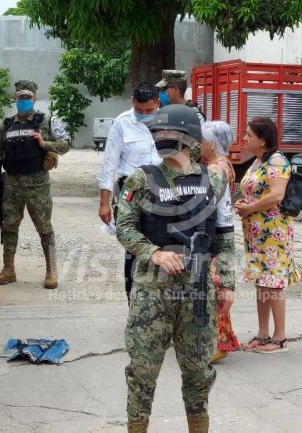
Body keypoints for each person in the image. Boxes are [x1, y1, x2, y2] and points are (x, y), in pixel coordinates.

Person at [117, 105, 232, 433]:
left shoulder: (214, 179)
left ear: (188, 137)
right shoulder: (141, 179)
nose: (161, 138)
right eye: (157, 133)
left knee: (198, 376)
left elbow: (224, 233)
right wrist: (152, 252)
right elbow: (124, 227)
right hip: (151, 295)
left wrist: (228, 283)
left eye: (168, 132)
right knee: (142, 373)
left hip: (197, 293)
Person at [0, 80, 71, 289]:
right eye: (21, 97)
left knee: (44, 228)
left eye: (28, 97)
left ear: (34, 99)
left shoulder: (47, 121)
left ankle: (51, 271)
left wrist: (45, 144)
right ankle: (8, 270)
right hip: (11, 185)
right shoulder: (6, 125)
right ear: (14, 98)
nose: (24, 100)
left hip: (38, 185)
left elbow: (66, 143)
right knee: (9, 227)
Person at [234, 117, 299, 353]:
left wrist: (250, 208)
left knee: (274, 284)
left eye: (249, 135)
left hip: (273, 234)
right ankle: (263, 334)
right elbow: (255, 192)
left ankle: (279, 337)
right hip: (256, 233)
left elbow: (276, 195)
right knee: (262, 283)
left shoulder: (277, 161)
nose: (244, 138)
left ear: (262, 139)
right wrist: (244, 204)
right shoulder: (257, 161)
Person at [96, 83, 162, 301]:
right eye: (139, 110)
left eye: (148, 110)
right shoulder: (122, 123)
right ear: (132, 103)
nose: (143, 114)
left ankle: (158, 302)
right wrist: (104, 203)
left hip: (163, 193)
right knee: (134, 247)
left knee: (161, 244)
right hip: (131, 194)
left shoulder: (168, 120)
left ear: (157, 103)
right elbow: (108, 166)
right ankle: (133, 302)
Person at [200, 121, 240, 363]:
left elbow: (205, 202)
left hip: (216, 231)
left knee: (214, 288)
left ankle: (218, 342)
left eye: (202, 140)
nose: (199, 145)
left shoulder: (215, 169)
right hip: (222, 228)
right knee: (217, 287)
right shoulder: (225, 164)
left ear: (212, 143)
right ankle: (219, 339)